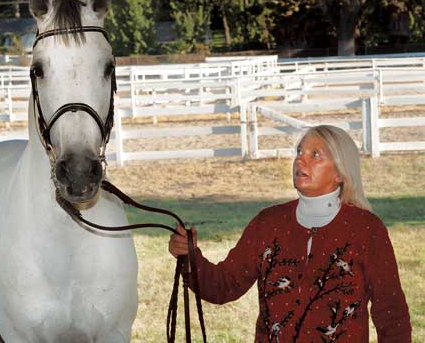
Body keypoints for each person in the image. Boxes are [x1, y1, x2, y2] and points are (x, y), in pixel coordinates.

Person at [169, 125, 411, 343]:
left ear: (340, 173)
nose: (300, 160)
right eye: (299, 151)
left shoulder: (367, 230)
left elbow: (391, 314)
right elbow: (224, 285)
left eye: (315, 155)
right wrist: (190, 256)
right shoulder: (267, 223)